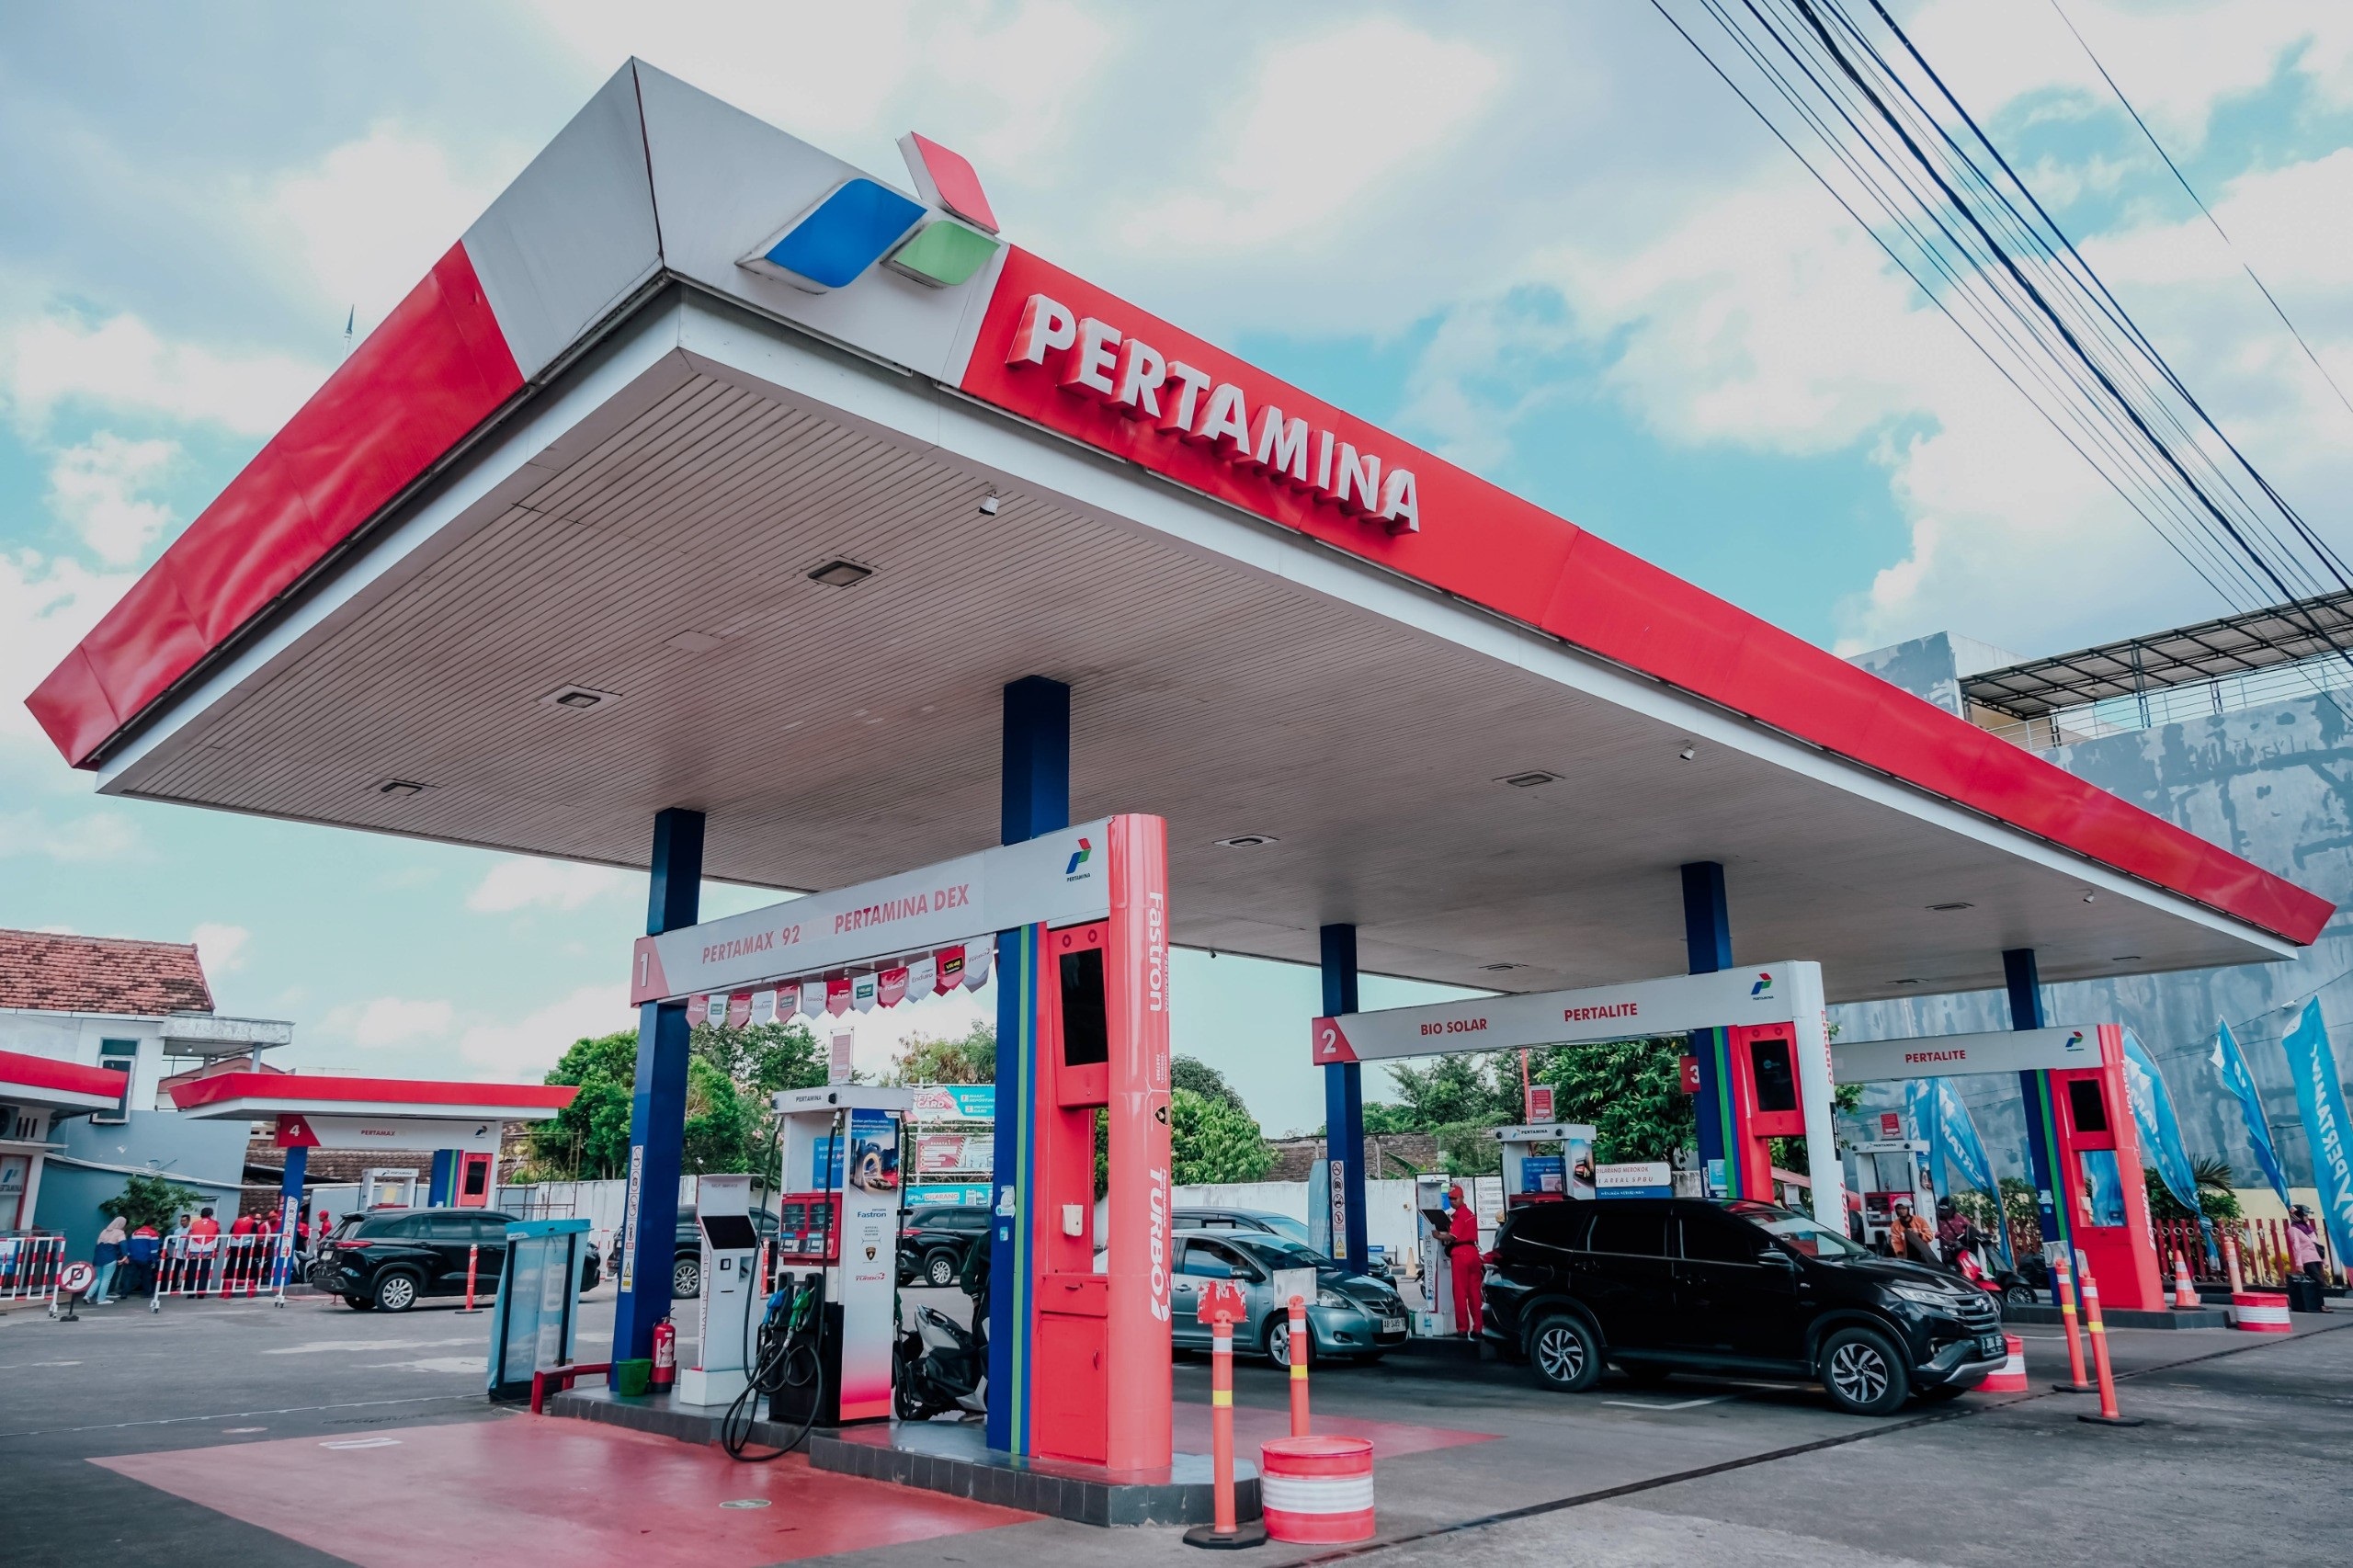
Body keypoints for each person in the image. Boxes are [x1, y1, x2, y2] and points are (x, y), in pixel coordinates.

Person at [1442, 1183, 1487, 1337]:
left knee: (1460, 1292)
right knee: (1474, 1293)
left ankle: (1462, 1329)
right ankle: (1478, 1328)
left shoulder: (1459, 1216)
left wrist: (1438, 1235)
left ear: (1462, 1198)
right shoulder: (1470, 1214)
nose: (1452, 1201)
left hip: (1461, 1254)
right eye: (1450, 1198)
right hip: (1474, 1253)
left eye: (1455, 1198)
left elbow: (1451, 1237)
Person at [90, 1215, 128, 1303]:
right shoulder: (120, 1232)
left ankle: (87, 1296)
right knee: (106, 1279)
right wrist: (125, 1256)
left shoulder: (104, 1231)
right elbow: (123, 1244)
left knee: (98, 1278)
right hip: (110, 1258)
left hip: (99, 1258)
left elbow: (97, 1246)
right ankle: (101, 1299)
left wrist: (95, 1259)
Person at [1887, 1200, 1938, 1264]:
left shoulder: (1920, 1220)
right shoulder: (1895, 1225)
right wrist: (1900, 1253)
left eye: (1904, 1208)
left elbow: (1929, 1237)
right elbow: (1896, 1242)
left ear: (1909, 1209)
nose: (1901, 1211)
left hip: (1923, 1254)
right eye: (1899, 1209)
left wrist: (1918, 1235)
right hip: (1908, 1256)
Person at [2289, 1206, 2327, 1289]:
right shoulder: (2293, 1229)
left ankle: (2319, 1297)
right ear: (2298, 1216)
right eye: (2305, 1215)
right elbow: (2296, 1247)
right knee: (2319, 1282)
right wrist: (2299, 1263)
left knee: (2318, 1283)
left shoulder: (2309, 1228)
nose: (2307, 1217)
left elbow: (2317, 1244)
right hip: (2307, 1260)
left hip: (2316, 1258)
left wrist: (2324, 1259)